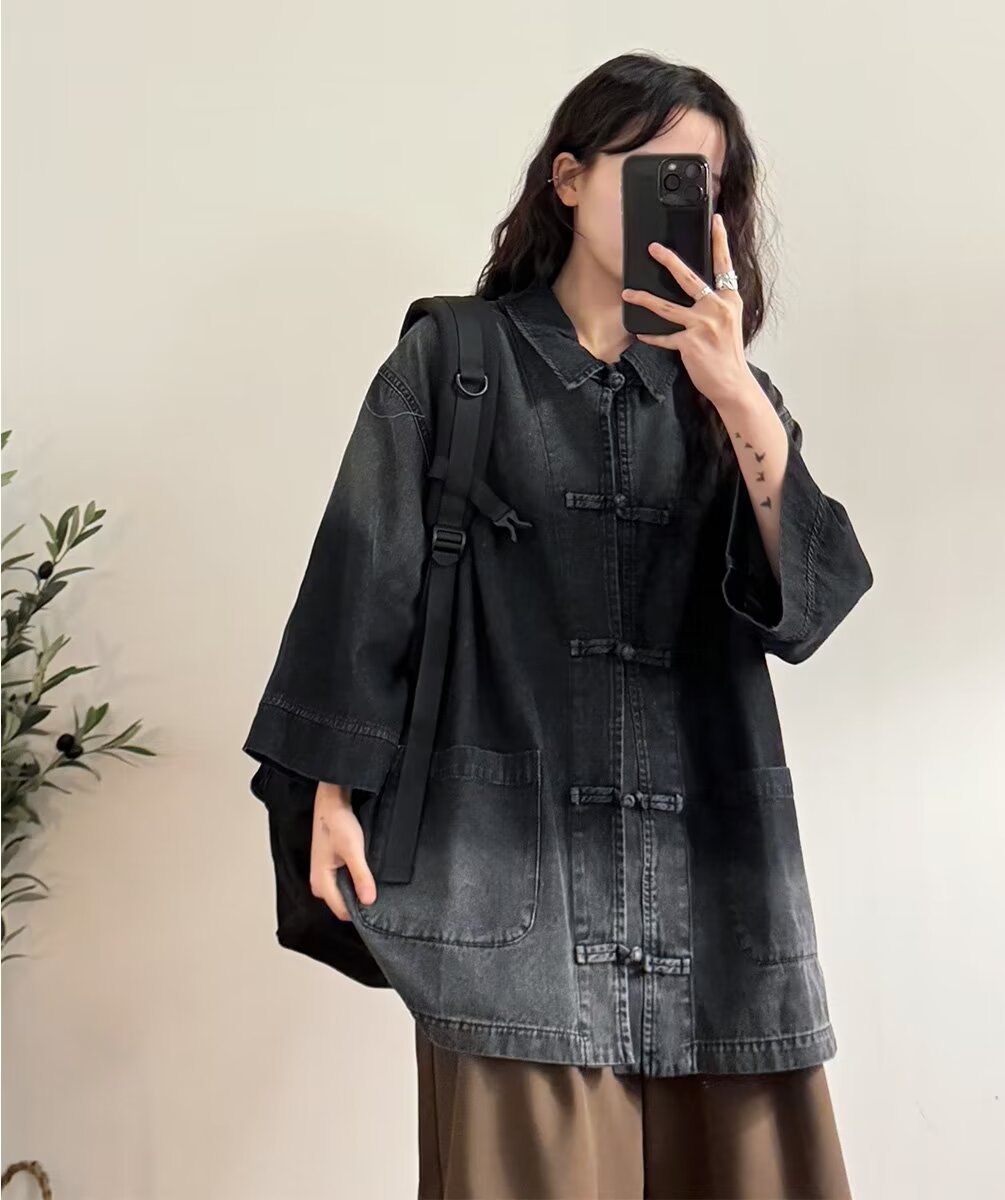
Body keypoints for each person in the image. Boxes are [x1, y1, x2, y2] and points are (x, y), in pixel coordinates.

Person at [243, 50, 873, 1199]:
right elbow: (363, 576)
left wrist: (735, 390)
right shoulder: (453, 365)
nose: (680, 196)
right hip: (510, 892)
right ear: (570, 181)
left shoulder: (727, 397)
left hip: (713, 890)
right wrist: (329, 792)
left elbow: (812, 606)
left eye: (701, 179)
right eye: (650, 169)